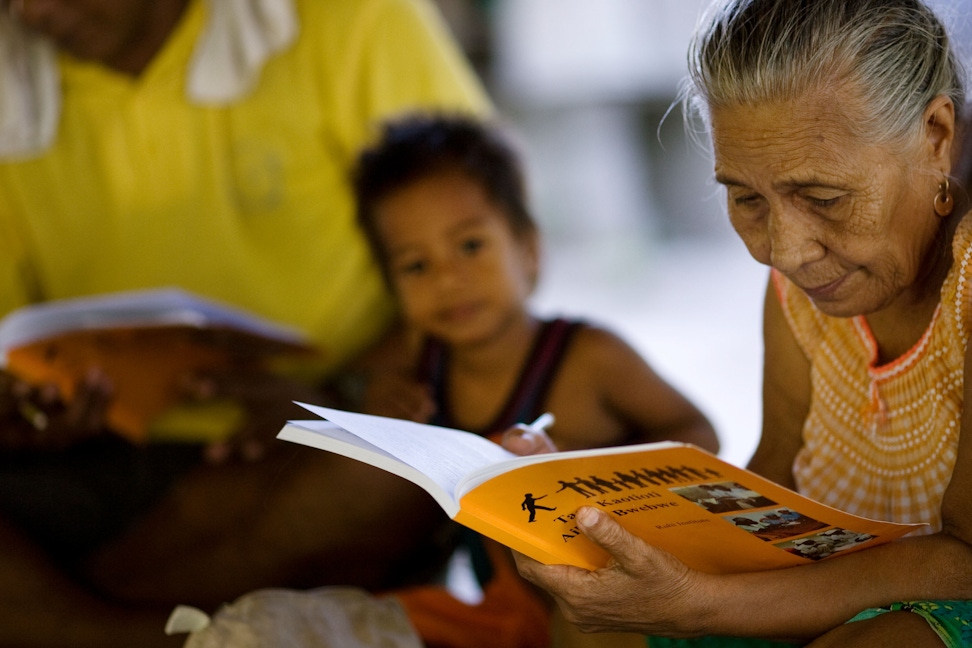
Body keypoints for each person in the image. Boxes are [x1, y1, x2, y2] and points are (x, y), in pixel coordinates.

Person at [0, 0, 490, 646]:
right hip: (83, 467)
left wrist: (337, 397)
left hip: (312, 445)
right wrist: (24, 416)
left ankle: (67, 623)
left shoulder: (354, 20)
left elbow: (486, 272)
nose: (31, 10)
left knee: (403, 467)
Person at [506, 0, 972, 646]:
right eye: (747, 199)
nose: (783, 251)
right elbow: (777, 476)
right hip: (840, 584)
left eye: (824, 198)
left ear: (937, 137)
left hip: (947, 599)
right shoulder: (808, 279)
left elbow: (963, 562)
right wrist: (587, 511)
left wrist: (699, 607)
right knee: (599, 623)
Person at [350, 113, 719, 648]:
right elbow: (353, 380)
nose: (449, 279)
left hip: (622, 609)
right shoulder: (419, 355)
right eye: (415, 266)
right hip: (509, 610)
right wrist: (377, 393)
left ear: (528, 250)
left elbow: (699, 431)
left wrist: (589, 469)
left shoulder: (588, 356)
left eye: (470, 246)